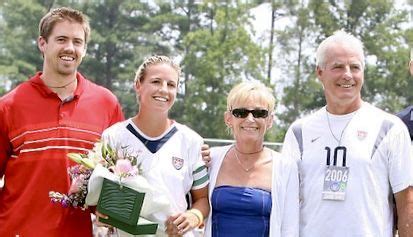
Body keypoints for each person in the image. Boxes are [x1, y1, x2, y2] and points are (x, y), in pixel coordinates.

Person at [0, 7, 124, 236]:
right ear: (42, 43)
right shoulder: (9, 106)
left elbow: (120, 177)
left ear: (84, 49)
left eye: (77, 41)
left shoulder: (107, 104)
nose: (70, 48)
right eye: (61, 39)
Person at [281, 30, 413, 236]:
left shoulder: (390, 128)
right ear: (320, 72)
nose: (347, 75)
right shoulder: (299, 131)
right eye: (338, 67)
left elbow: (407, 203)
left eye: (355, 67)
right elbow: (286, 202)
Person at [98, 55, 209, 236]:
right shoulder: (113, 136)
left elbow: (202, 199)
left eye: (171, 85)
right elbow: (101, 196)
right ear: (138, 85)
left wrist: (192, 216)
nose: (164, 90)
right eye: (156, 81)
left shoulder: (191, 141)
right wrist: (102, 210)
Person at [203, 81, 299, 237]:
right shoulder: (210, 160)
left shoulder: (285, 167)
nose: (250, 119)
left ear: (270, 120)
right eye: (240, 112)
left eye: (259, 113)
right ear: (228, 118)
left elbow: (290, 229)